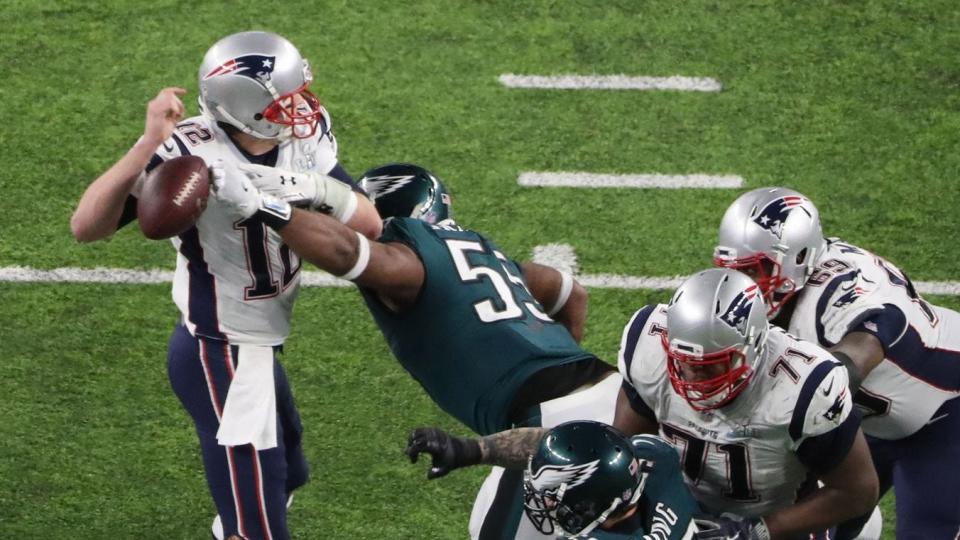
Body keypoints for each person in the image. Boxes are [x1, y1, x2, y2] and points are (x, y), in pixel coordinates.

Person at [70, 31, 382, 540]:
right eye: (285, 100)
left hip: (259, 343)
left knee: (288, 474)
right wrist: (148, 141)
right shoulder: (185, 153)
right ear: (247, 107)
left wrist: (303, 189)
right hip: (222, 351)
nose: (302, 106)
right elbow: (86, 227)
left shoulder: (302, 135)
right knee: (257, 528)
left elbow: (366, 222)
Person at [210, 162, 623, 539]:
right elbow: (572, 293)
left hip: (551, 421)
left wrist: (263, 207)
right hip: (615, 392)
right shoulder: (478, 249)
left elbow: (348, 252)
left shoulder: (410, 260)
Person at [713, 187, 960, 538]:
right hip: (874, 421)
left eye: (755, 271)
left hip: (945, 411)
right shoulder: (797, 280)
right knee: (809, 523)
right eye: (735, 271)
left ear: (798, 259)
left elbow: (853, 360)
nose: (744, 287)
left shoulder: (842, 294)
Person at [612, 268, 879, 540]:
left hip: (778, 522)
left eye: (713, 365)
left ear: (754, 347)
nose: (694, 376)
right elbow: (626, 447)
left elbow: (857, 491)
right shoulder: (648, 344)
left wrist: (756, 532)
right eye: (685, 361)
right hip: (682, 505)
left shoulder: (803, 388)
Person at [404, 420, 701, 539]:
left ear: (591, 505)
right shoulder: (653, 457)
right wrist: (469, 450)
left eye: (553, 496)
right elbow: (546, 443)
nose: (543, 501)